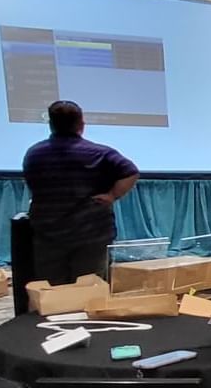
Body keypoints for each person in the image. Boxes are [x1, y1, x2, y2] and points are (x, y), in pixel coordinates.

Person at [23, 100, 140, 284]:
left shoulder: (34, 154)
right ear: (81, 125)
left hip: (48, 234)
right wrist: (112, 195)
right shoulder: (99, 153)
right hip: (91, 233)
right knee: (89, 291)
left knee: (52, 292)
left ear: (51, 124)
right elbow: (131, 171)